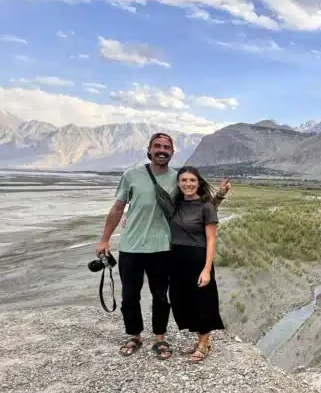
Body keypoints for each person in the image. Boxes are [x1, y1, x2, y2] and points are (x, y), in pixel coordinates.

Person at [95, 133, 229, 360]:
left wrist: (220, 197)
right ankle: (134, 335)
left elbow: (198, 205)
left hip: (162, 249)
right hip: (131, 246)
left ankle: (160, 338)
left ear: (172, 152)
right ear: (149, 150)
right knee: (129, 296)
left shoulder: (177, 178)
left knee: (160, 297)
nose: (162, 150)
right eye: (157, 146)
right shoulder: (131, 175)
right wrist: (104, 239)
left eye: (167, 147)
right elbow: (117, 209)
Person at [169, 166, 229, 363]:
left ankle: (204, 343)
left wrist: (206, 269)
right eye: (184, 180)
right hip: (176, 260)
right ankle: (199, 340)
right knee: (183, 301)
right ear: (178, 183)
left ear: (199, 182)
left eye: (192, 180)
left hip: (198, 259)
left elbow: (211, 239)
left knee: (202, 301)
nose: (188, 184)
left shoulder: (206, 206)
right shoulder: (175, 204)